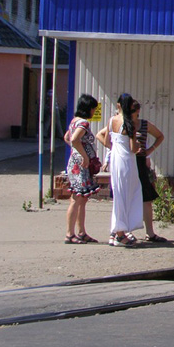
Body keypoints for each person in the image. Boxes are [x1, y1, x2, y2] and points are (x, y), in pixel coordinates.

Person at [96, 93, 144, 247]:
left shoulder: (112, 121)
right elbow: (132, 147)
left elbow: (105, 140)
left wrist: (116, 148)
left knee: (118, 194)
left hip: (116, 160)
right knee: (129, 194)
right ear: (130, 106)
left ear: (118, 105)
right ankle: (120, 234)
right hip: (127, 161)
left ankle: (116, 231)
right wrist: (138, 146)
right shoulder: (130, 123)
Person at [63, 94, 102, 244]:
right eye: (93, 108)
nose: (94, 111)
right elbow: (74, 139)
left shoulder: (74, 122)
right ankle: (70, 234)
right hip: (80, 166)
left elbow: (67, 137)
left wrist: (75, 153)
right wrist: (84, 156)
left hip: (76, 164)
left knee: (82, 199)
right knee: (76, 198)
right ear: (89, 109)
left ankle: (81, 231)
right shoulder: (83, 123)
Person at [130, 100, 168, 243]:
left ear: (138, 111)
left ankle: (150, 232)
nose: (131, 114)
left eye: (133, 111)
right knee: (130, 198)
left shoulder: (144, 124)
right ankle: (127, 231)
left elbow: (160, 136)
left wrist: (149, 150)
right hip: (128, 162)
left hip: (140, 162)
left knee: (146, 199)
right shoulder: (123, 124)